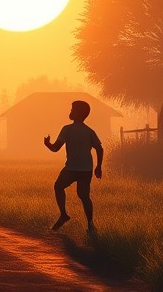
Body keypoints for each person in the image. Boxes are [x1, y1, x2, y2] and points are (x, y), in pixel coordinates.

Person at [44, 100, 104, 233]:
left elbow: (55, 148)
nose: (70, 112)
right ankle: (90, 224)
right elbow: (99, 149)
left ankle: (64, 214)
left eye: (72, 110)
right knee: (84, 196)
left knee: (58, 186)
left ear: (78, 113)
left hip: (71, 168)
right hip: (86, 169)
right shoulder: (89, 131)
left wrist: (47, 144)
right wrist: (98, 167)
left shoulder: (67, 129)